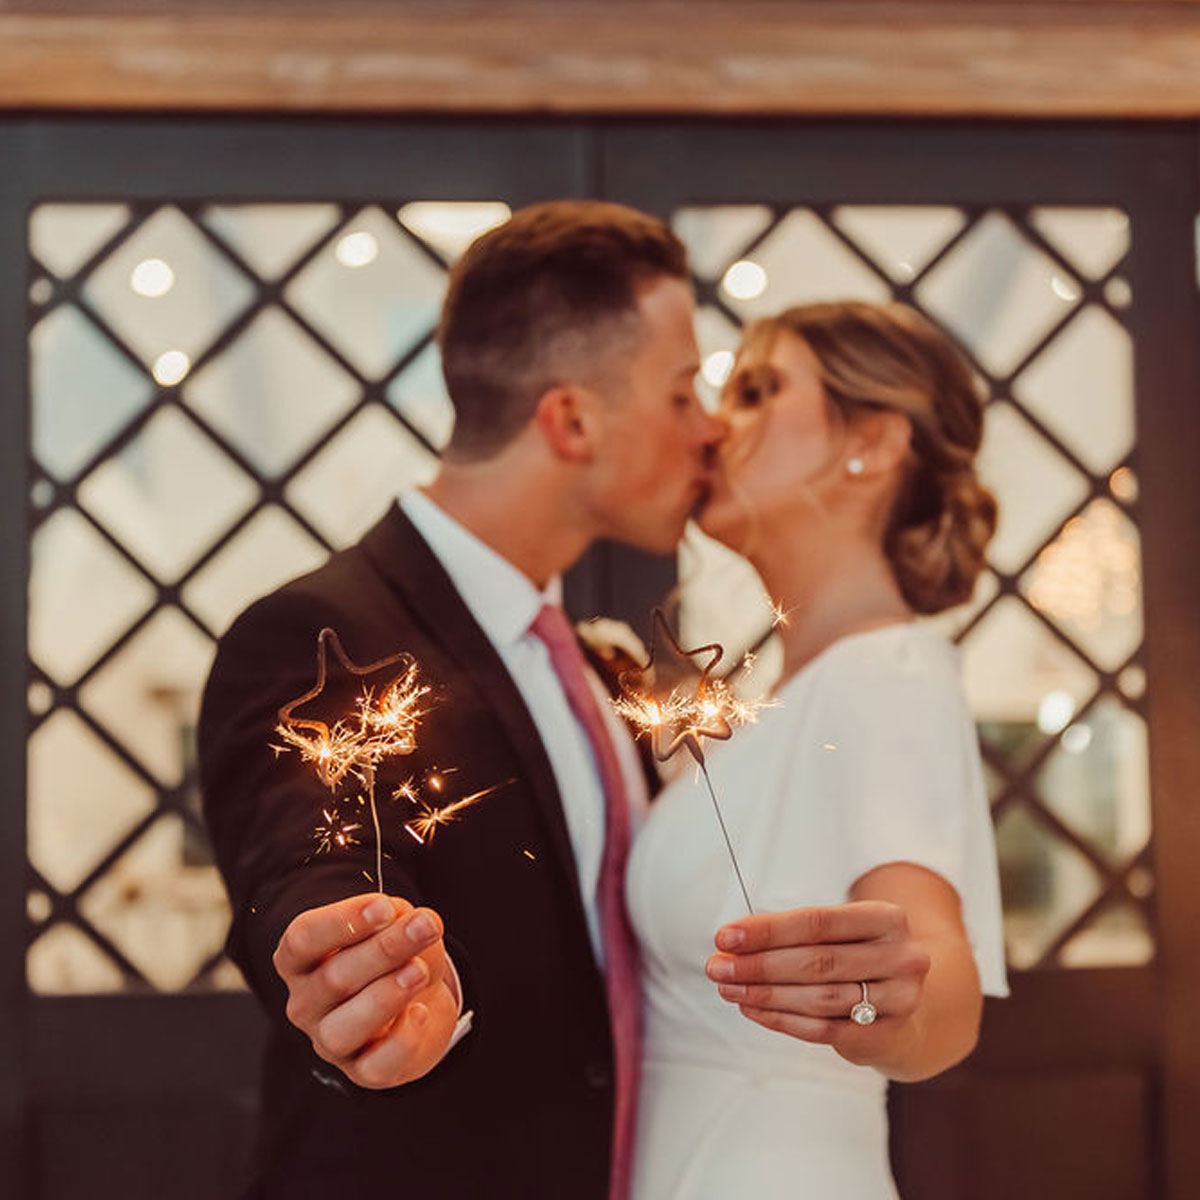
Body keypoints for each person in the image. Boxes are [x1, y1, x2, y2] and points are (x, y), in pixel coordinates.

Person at [200, 203, 936, 1199]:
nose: (709, 427)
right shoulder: (319, 634)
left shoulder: (596, 665)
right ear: (571, 421)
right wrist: (361, 980)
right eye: (683, 392)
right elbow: (306, 857)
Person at [626, 301, 1009, 1199]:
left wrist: (887, 1005)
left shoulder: (887, 673)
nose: (719, 426)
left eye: (759, 391)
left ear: (871, 444)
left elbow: (936, 973)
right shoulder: (788, 695)